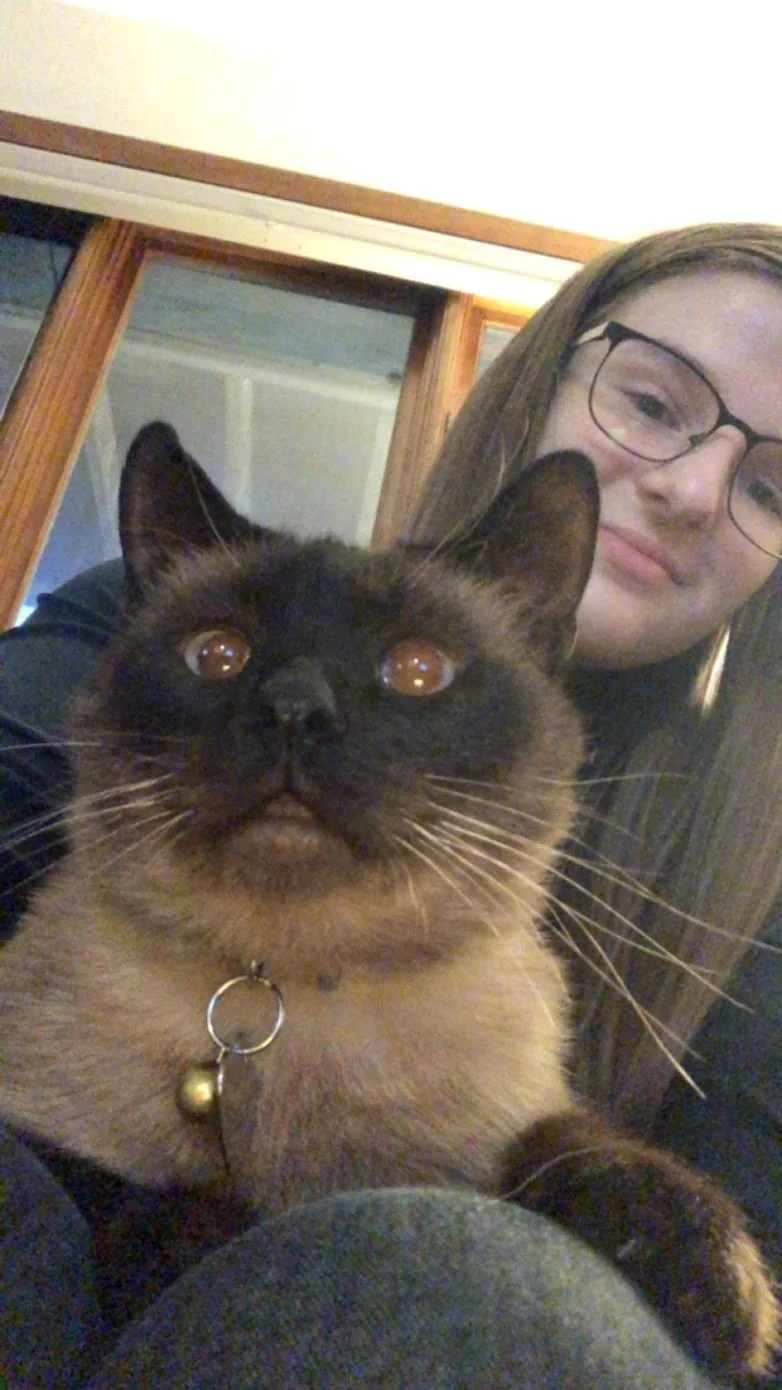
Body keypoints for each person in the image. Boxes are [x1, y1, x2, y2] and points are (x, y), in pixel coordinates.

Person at [0, 222, 779, 1388]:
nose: (686, 488)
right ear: (536, 379)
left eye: (770, 481)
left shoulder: (757, 899)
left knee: (435, 1268)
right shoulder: (125, 620)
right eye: (656, 403)